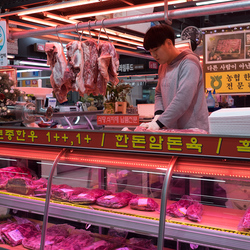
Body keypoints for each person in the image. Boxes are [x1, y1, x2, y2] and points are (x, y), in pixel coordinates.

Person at [140, 24, 209, 132]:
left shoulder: (189, 63)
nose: (153, 55)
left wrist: (159, 123)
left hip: (194, 132)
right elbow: (159, 93)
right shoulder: (163, 66)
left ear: (168, 43)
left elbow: (183, 98)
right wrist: (158, 114)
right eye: (150, 51)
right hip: (172, 131)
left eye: (156, 50)